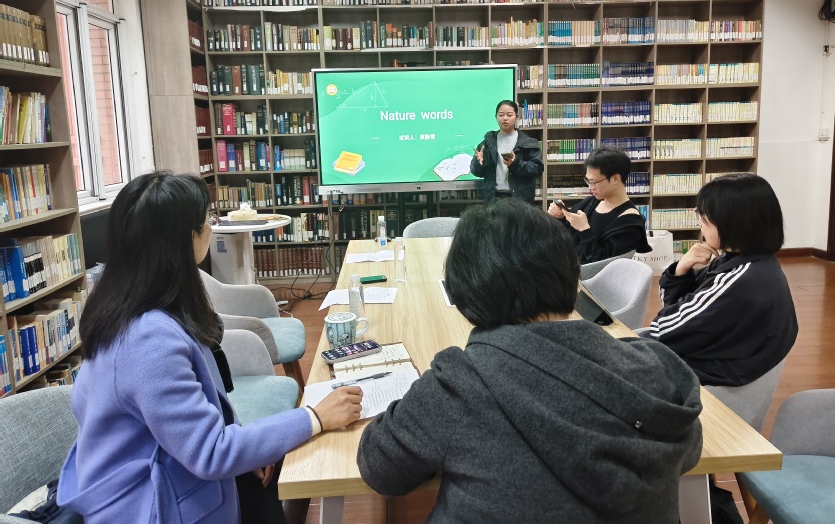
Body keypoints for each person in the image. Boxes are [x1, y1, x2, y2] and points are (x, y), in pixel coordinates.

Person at [357, 199, 703, 523]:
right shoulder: (652, 369)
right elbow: (688, 450)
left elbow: (381, 469)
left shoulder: (458, 385)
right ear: (570, 274)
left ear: (463, 290)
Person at [57, 172, 363, 524]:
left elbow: (199, 414)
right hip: (152, 504)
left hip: (172, 468)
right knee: (299, 457)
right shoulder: (148, 340)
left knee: (279, 466)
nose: (211, 227)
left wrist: (245, 446)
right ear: (187, 238)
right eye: (208, 220)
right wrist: (315, 417)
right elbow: (211, 452)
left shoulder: (126, 303)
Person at [649, 173, 798, 387]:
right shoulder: (743, 261)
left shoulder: (740, 280)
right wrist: (681, 269)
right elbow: (676, 314)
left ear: (732, 222)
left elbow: (663, 329)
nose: (700, 222)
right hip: (713, 362)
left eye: (704, 215)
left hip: (709, 380)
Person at [548, 145, 652, 263]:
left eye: (594, 182)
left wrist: (584, 229)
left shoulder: (631, 224)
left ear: (615, 179)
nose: (590, 187)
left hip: (586, 273)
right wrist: (561, 217)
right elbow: (567, 235)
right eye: (588, 181)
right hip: (565, 265)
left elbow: (602, 264)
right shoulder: (591, 202)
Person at [470, 100, 543, 204]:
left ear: (517, 117)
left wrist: (515, 163)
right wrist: (479, 163)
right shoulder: (488, 142)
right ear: (496, 117)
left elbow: (537, 169)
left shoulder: (528, 142)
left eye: (509, 115)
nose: (505, 118)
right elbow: (477, 172)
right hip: (494, 198)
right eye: (501, 115)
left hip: (520, 199)